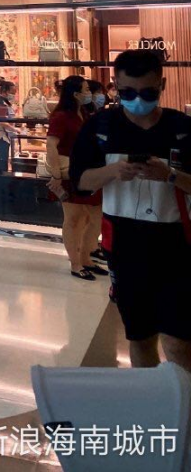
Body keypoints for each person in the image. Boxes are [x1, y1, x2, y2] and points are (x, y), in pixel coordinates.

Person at [72, 50, 190, 371]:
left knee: (179, 342)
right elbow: (80, 180)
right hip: (124, 247)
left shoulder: (182, 129)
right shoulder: (101, 127)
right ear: (115, 86)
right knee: (139, 338)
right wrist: (114, 171)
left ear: (162, 85)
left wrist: (170, 176)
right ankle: (153, 404)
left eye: (148, 92)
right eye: (128, 93)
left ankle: (185, 410)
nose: (138, 100)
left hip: (176, 247)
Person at [47, 75, 105, 280]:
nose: (90, 93)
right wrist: (55, 174)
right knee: (73, 218)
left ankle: (86, 256)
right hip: (67, 172)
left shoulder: (84, 114)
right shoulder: (62, 117)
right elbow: (51, 145)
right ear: (75, 94)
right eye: (86, 89)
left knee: (94, 216)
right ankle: (76, 263)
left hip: (86, 171)